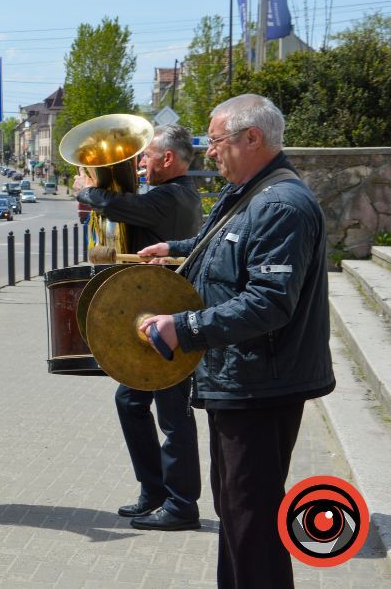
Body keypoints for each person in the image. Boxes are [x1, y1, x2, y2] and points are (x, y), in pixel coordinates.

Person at [137, 94, 334, 589]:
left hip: (261, 385)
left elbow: (269, 302)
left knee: (252, 519)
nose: (210, 152)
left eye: (217, 141)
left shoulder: (281, 203)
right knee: (236, 510)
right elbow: (231, 244)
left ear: (253, 138)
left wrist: (182, 329)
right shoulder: (253, 192)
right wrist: (176, 249)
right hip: (240, 378)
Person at [74, 125, 204, 532]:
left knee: (172, 416)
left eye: (146, 156)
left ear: (169, 159)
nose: (140, 163)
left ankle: (182, 505)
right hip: (152, 312)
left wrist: (86, 190)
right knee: (130, 402)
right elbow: (127, 210)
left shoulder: (172, 196)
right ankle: (155, 491)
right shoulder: (168, 195)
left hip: (167, 318)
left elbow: (122, 207)